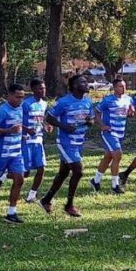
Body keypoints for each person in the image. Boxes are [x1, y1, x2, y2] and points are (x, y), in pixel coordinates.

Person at [38, 74, 94, 217]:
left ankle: (46, 200)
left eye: (86, 82)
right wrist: (63, 126)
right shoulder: (64, 102)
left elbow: (91, 120)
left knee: (63, 173)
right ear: (74, 86)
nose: (86, 84)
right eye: (83, 82)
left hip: (79, 141)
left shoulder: (88, 102)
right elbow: (49, 117)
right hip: (66, 141)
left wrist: (89, 122)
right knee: (78, 170)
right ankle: (69, 205)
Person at [0, 84, 26, 224]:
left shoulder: (21, 109)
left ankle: (11, 213)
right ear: (9, 96)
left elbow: (19, 126)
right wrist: (9, 131)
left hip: (16, 152)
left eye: (22, 97)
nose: (20, 100)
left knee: (20, 179)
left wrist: (23, 133)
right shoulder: (2, 110)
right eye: (17, 97)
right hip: (1, 152)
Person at [91, 78, 134, 194]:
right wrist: (102, 125)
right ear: (114, 88)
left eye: (124, 86)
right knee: (118, 155)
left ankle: (95, 180)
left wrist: (131, 113)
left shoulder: (128, 99)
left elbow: (130, 112)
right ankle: (115, 185)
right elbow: (96, 112)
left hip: (121, 132)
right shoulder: (108, 100)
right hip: (109, 132)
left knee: (109, 156)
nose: (123, 88)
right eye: (120, 86)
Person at [21, 79, 50, 203]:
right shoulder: (26, 104)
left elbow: (41, 119)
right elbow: (17, 120)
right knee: (25, 172)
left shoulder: (44, 104)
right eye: (40, 88)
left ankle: (32, 195)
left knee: (41, 168)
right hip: (26, 140)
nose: (42, 90)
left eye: (43, 88)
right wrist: (26, 130)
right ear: (33, 90)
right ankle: (3, 176)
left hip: (38, 139)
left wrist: (46, 125)